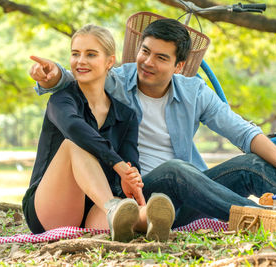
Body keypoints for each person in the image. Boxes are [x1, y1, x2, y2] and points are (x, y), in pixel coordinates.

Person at [29, 19, 276, 228]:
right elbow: (75, 79)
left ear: (179, 66)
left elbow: (242, 131)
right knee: (177, 169)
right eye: (145, 51)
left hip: (192, 190)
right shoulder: (118, 80)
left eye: (161, 58)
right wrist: (52, 75)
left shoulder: (194, 91)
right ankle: (264, 218)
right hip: (147, 194)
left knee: (252, 164)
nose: (147, 63)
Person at [22, 24, 175, 243]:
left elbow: (130, 162)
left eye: (91, 54)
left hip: (96, 206)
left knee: (130, 211)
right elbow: (75, 129)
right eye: (75, 54)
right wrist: (117, 164)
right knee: (72, 145)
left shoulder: (126, 115)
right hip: (52, 208)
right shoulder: (62, 100)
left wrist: (130, 179)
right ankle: (115, 209)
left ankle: (147, 218)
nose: (80, 61)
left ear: (109, 62)